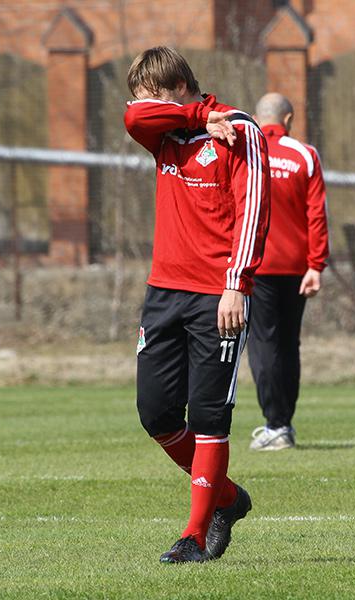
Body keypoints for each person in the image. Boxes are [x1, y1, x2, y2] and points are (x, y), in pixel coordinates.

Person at [123, 47, 270, 563]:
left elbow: (254, 209)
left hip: (218, 294)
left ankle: (195, 532)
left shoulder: (241, 130)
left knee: (209, 415)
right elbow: (132, 116)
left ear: (175, 86)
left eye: (150, 96)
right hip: (163, 292)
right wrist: (197, 115)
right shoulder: (164, 131)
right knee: (155, 413)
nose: (144, 108)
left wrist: (237, 282)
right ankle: (228, 497)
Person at [246, 93, 329, 451]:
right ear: (289, 119)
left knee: (263, 343)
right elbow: (317, 214)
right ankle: (285, 424)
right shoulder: (305, 155)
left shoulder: (245, 154)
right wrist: (316, 265)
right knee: (287, 345)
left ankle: (275, 424)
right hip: (297, 268)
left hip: (256, 265)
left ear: (255, 118)